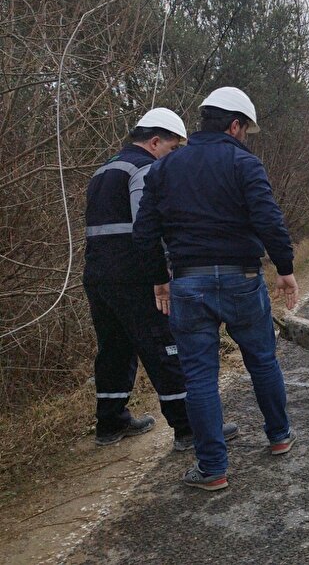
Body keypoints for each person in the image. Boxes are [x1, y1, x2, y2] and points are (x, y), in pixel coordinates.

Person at [134, 87, 299, 492]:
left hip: (188, 283)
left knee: (200, 377)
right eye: (245, 130)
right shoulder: (245, 164)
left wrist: (160, 279)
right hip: (242, 278)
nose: (244, 137)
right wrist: (285, 268)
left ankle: (213, 470)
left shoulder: (164, 169)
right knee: (262, 360)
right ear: (235, 125)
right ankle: (279, 437)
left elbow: (145, 235)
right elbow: (268, 219)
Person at [83, 108, 238, 450]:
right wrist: (162, 273)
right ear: (155, 142)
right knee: (165, 346)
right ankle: (189, 428)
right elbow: (148, 228)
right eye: (171, 149)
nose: (173, 158)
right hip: (135, 275)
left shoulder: (104, 169)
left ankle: (110, 422)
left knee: (114, 347)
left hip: (97, 275)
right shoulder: (144, 169)